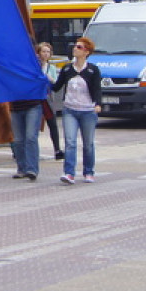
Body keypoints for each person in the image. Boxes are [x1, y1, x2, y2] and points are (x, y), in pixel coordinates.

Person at [52, 36, 102, 185]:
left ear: (87, 52)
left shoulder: (93, 70)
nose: (75, 48)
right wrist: (44, 78)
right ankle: (69, 173)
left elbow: (97, 89)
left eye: (79, 47)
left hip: (87, 110)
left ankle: (88, 171)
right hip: (70, 110)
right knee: (70, 142)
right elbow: (57, 86)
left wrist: (98, 104)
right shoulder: (67, 68)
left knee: (88, 143)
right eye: (75, 46)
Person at [37, 42, 65, 160]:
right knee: (34, 124)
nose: (46, 54)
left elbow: (55, 83)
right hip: (36, 98)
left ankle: (57, 149)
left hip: (48, 98)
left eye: (48, 52)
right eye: (43, 51)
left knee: (52, 123)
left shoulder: (51, 68)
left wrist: (49, 78)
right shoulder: (35, 66)